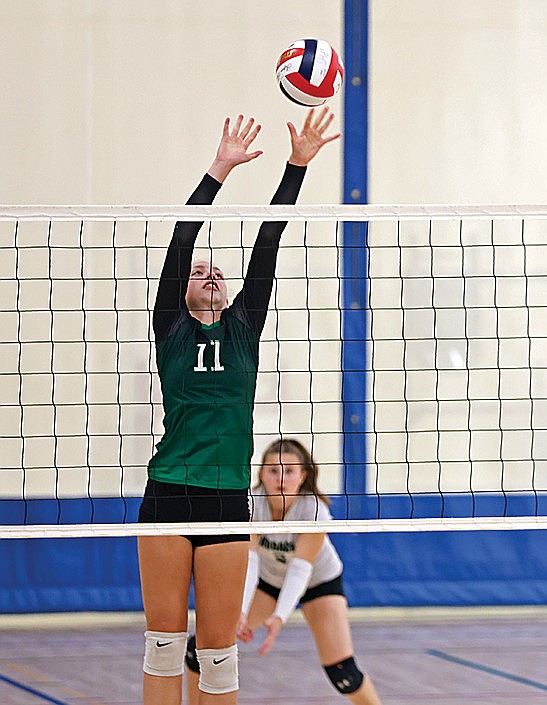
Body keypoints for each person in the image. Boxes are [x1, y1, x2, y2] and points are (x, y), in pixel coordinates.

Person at [137, 108, 340, 705]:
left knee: (219, 658)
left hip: (227, 496)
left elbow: (269, 241)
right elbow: (182, 237)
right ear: (182, 288)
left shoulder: (244, 329)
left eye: (216, 272)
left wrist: (295, 166)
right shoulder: (170, 327)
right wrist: (219, 169)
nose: (209, 275)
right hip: (169, 490)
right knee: (164, 647)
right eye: (199, 273)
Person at [183, 438, 383, 705]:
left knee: (343, 672)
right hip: (268, 581)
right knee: (200, 647)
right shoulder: (251, 504)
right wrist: (241, 611)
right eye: (273, 470)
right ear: (261, 474)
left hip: (318, 581)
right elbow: (250, 561)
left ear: (303, 476)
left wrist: (279, 617)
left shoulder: (314, 509)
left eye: (289, 471)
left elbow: (301, 569)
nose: (281, 478)